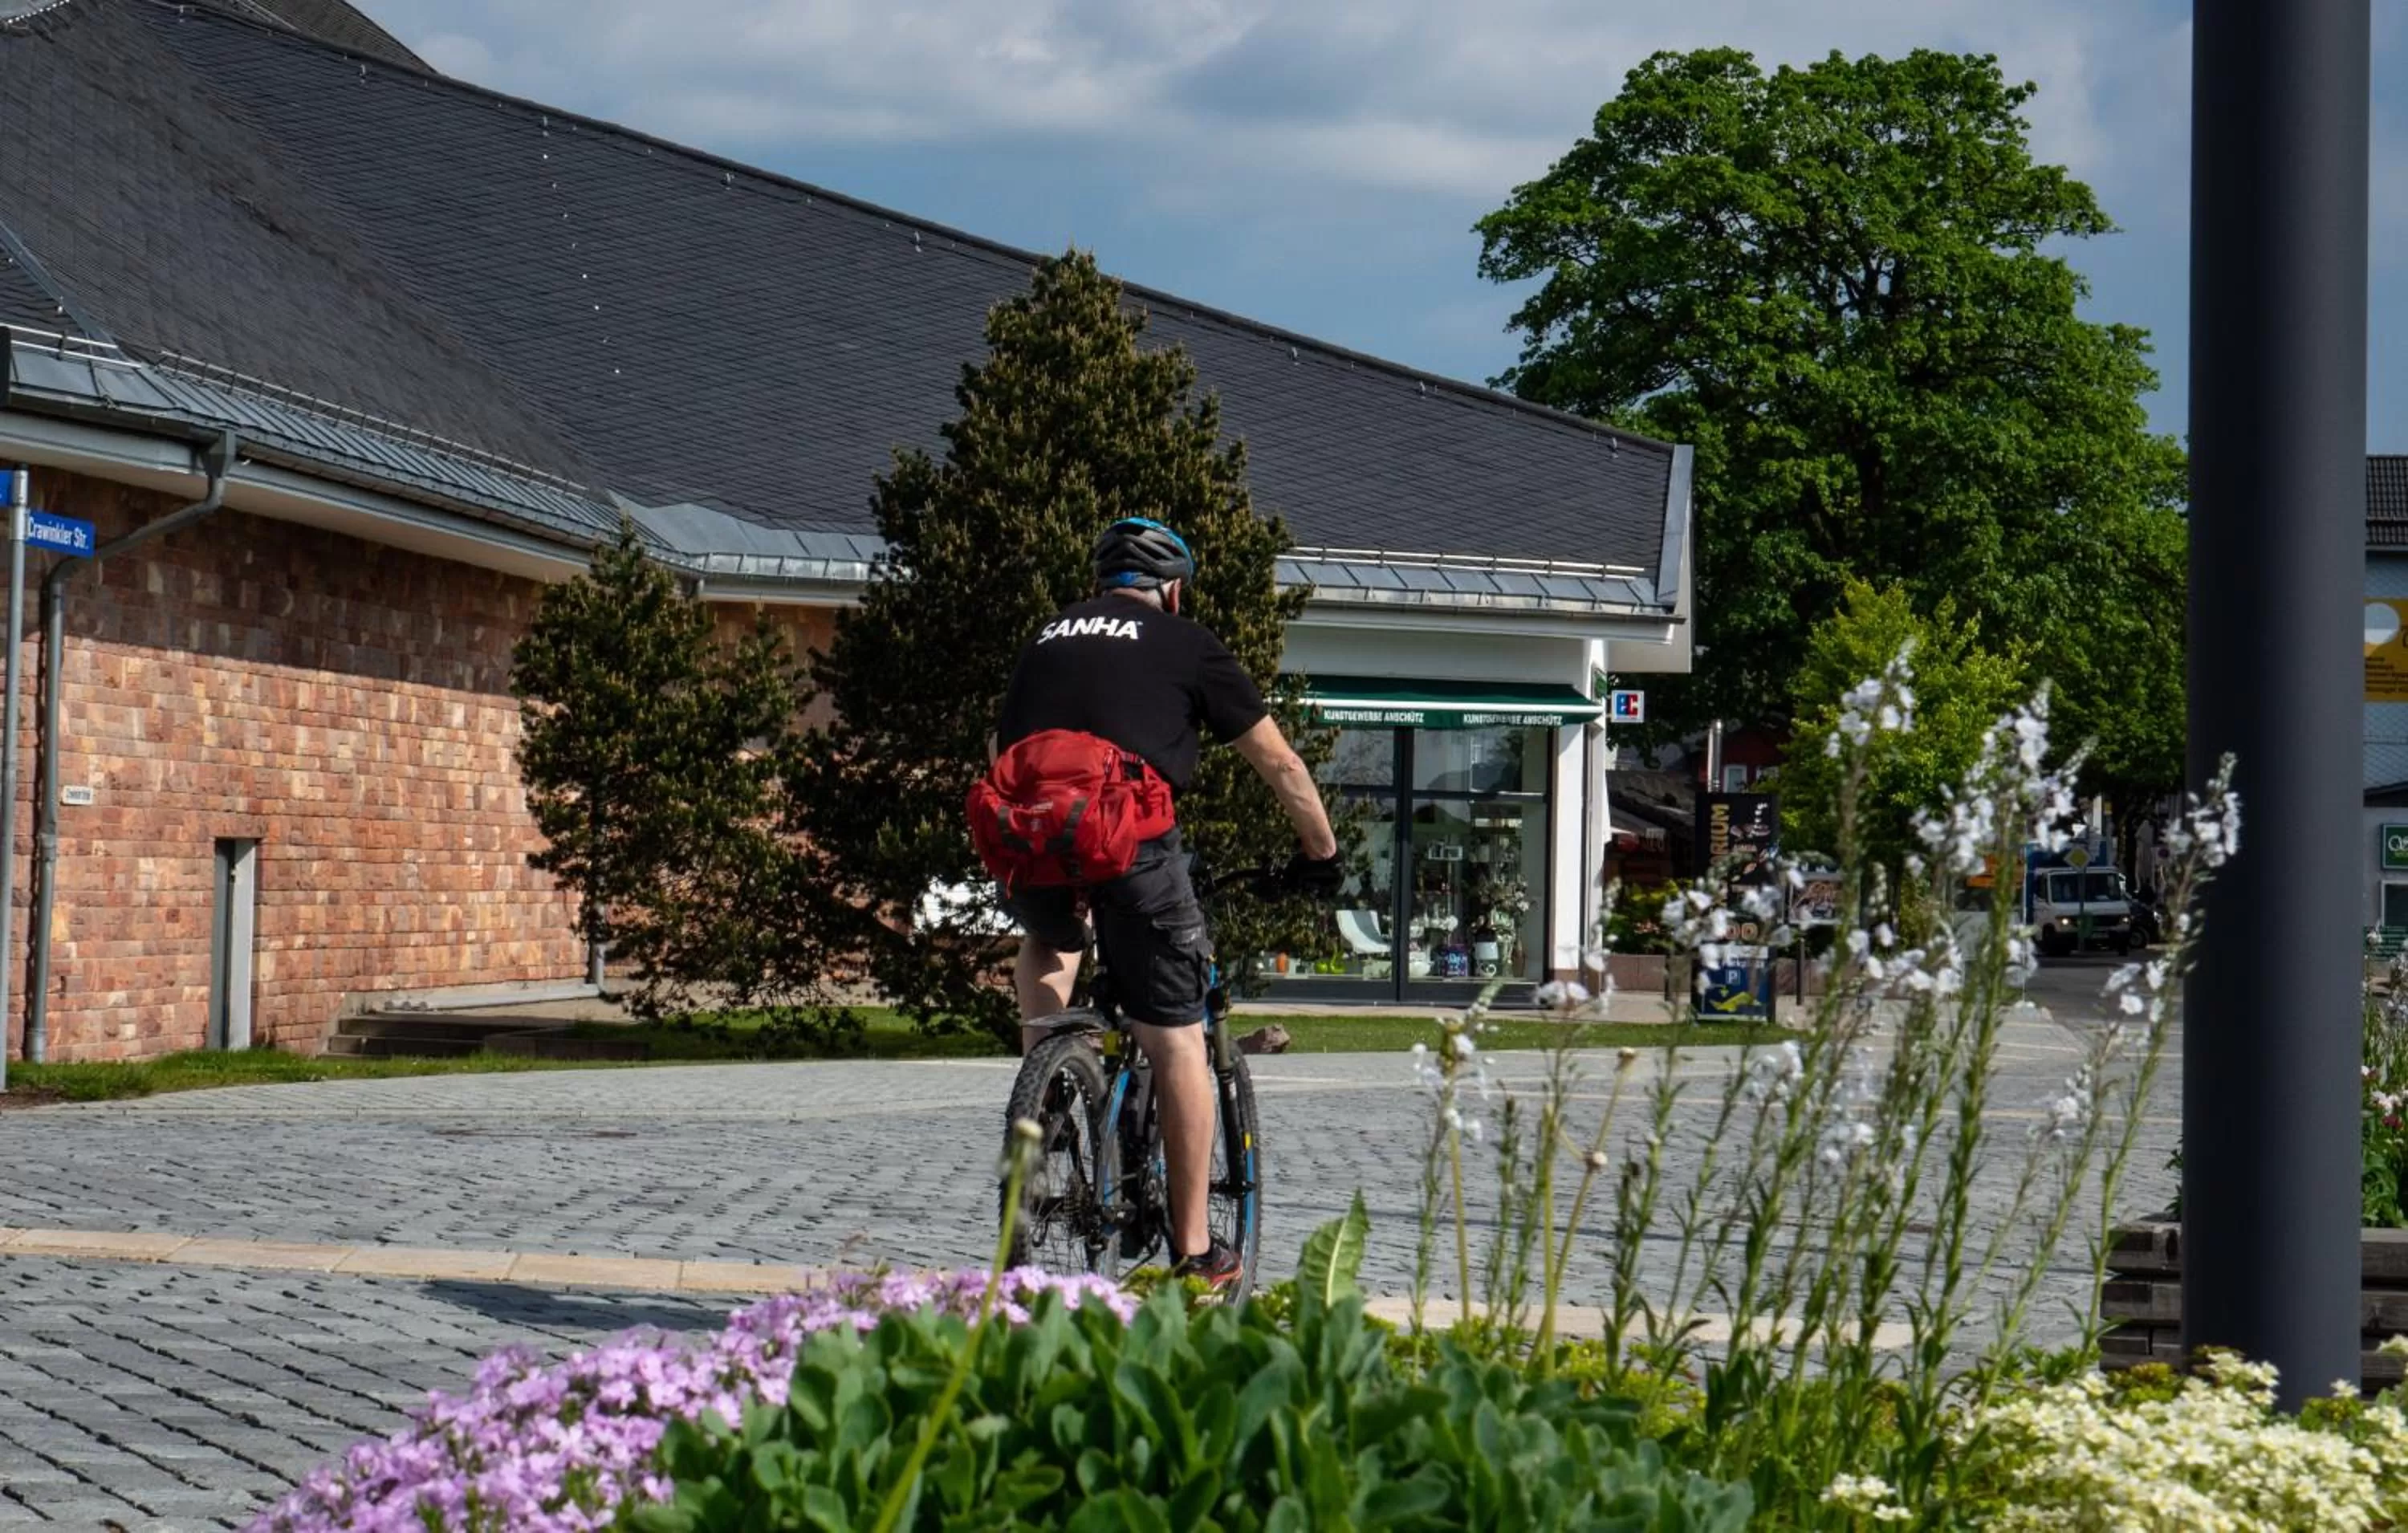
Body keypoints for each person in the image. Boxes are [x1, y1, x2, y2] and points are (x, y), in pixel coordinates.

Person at [987, 516, 1340, 1291]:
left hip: (1034, 841)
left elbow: (1001, 751)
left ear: (1099, 585)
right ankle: (1194, 1253)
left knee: (1053, 941)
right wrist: (1322, 853)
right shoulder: (1187, 643)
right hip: (1134, 846)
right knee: (1176, 1039)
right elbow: (1278, 762)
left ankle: (1047, 1086)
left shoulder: (1045, 639)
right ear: (1172, 588)